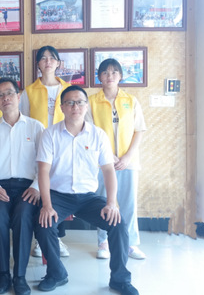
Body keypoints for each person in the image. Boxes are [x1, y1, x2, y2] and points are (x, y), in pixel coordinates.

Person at [34, 86, 139, 295]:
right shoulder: (50, 134)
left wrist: (111, 203)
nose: (75, 106)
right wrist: (46, 205)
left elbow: (108, 170)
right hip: (58, 196)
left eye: (80, 102)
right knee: (43, 224)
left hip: (88, 198)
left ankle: (120, 280)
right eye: (70, 102)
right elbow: (43, 171)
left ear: (86, 106)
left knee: (118, 224)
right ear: (62, 107)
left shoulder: (98, 135)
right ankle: (56, 273)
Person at [0, 78, 45, 295]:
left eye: (9, 93)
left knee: (22, 215)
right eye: (0, 95)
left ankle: (19, 276)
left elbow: (44, 164)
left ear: (18, 97)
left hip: (28, 187)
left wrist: (36, 187)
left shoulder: (36, 127)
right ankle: (3, 273)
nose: (5, 98)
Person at [86, 59, 147, 260]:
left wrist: (127, 157)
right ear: (99, 77)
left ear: (120, 76)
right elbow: (90, 132)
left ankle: (130, 243)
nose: (109, 76)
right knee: (104, 202)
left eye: (114, 72)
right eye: (105, 72)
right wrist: (107, 156)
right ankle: (103, 242)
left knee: (128, 204)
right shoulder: (91, 101)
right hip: (102, 163)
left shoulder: (131, 101)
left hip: (128, 163)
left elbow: (139, 130)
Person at [20, 45, 71, 258]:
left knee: (59, 191)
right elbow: (23, 121)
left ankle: (56, 238)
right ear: (38, 64)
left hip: (64, 146)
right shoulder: (29, 91)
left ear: (58, 63)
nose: (48, 61)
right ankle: (40, 240)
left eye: (52, 58)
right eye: (43, 58)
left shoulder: (68, 89)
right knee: (40, 190)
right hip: (39, 148)